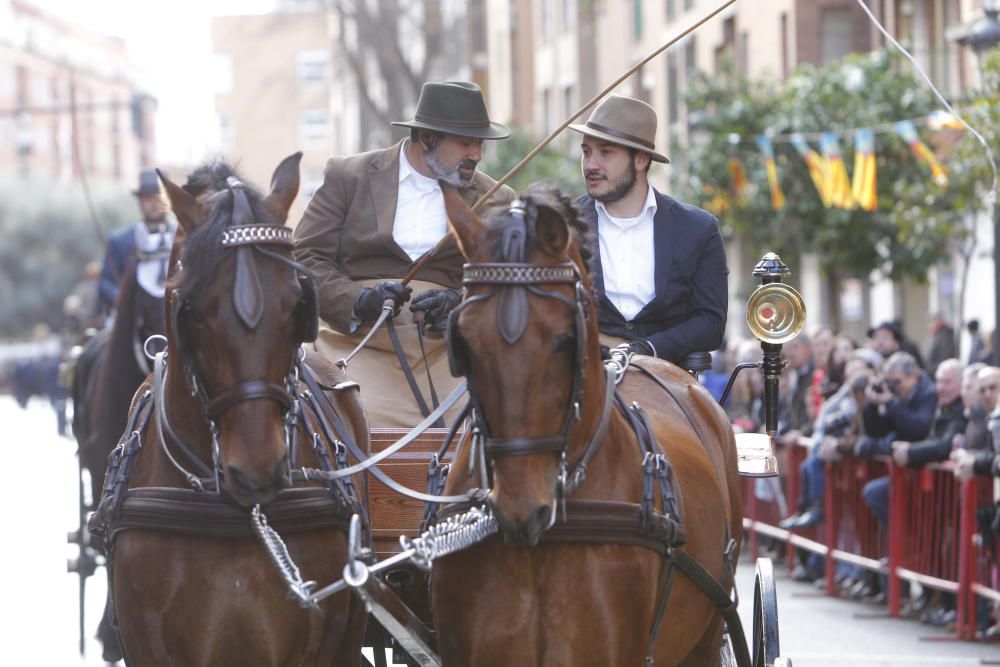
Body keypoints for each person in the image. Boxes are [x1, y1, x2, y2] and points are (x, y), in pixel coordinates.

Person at [294, 81, 515, 427]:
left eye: (479, 144)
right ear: (427, 138)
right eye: (466, 143)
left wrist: (460, 304)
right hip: (360, 342)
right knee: (355, 419)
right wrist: (358, 300)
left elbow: (504, 281)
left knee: (479, 421)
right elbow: (305, 256)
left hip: (448, 350)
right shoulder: (348, 176)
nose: (477, 154)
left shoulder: (497, 197)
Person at [570, 94, 727, 364]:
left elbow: (710, 322)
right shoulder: (564, 226)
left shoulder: (698, 229)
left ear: (641, 159)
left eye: (605, 152)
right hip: (583, 378)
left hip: (666, 379)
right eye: (586, 152)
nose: (591, 165)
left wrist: (646, 348)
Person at [857, 352, 939, 525]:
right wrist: (871, 406)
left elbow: (917, 428)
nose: (893, 387)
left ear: (914, 376)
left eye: (897, 382)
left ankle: (907, 547)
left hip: (926, 472)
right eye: (889, 382)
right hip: (906, 470)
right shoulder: (897, 398)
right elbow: (876, 432)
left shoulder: (929, 393)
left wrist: (890, 402)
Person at [97, 169, 176, 318]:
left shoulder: (187, 238)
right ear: (140, 202)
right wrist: (121, 299)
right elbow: (104, 283)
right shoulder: (119, 242)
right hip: (132, 317)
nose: (154, 203)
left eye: (159, 197)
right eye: (148, 198)